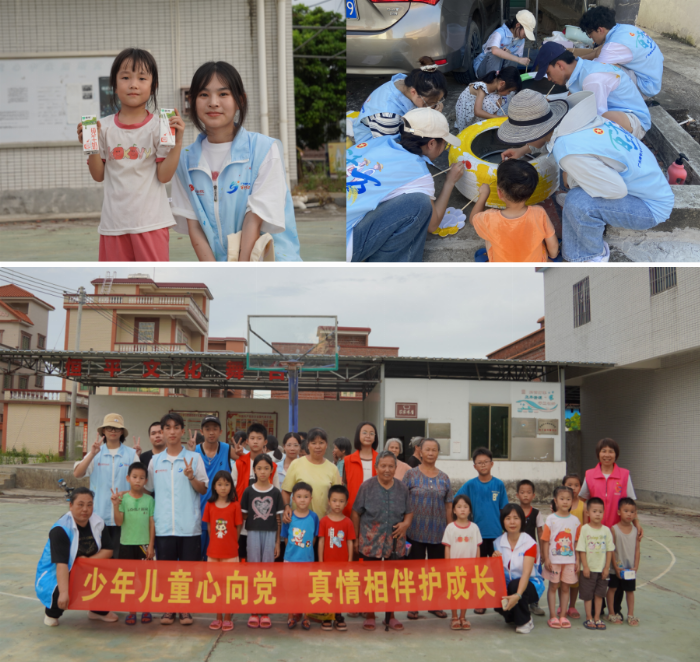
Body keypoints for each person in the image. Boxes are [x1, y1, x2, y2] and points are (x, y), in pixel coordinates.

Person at [498, 89, 673, 262]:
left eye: (524, 137)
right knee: (571, 185)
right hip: (652, 184)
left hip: (649, 207)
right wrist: (523, 150)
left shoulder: (567, 150)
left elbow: (615, 190)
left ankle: (590, 255)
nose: (524, 141)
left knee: (578, 202)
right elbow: (551, 141)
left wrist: (571, 181)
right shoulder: (576, 122)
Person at [171, 61, 301, 261]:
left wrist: (239, 271)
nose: (213, 102)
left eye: (223, 94)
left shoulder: (264, 149)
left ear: (240, 100)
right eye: (204, 95)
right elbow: (194, 225)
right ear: (192, 101)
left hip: (269, 262)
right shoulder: (183, 161)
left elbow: (254, 218)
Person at [76, 48, 184, 261]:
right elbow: (99, 175)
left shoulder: (159, 126)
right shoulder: (102, 127)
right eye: (125, 77)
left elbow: (164, 176)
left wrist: (177, 142)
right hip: (113, 225)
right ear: (114, 86)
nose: (133, 84)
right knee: (116, 280)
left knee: (153, 280)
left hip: (151, 223)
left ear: (153, 86)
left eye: (142, 78)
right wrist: (92, 145)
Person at [347, 108, 465, 263]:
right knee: (419, 204)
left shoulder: (379, 141)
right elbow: (433, 224)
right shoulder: (418, 173)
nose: (444, 148)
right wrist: (450, 181)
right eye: (444, 144)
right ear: (431, 143)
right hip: (345, 246)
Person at [146, 412, 208, 626]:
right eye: (167, 427)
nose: (172, 432)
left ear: (182, 430)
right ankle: (169, 608)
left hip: (189, 526)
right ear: (162, 432)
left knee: (188, 572)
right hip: (164, 527)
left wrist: (191, 477)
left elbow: (203, 488)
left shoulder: (195, 458)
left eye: (176, 427)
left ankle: (185, 609)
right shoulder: (155, 461)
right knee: (166, 572)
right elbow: (149, 490)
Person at [532, 42, 651, 139]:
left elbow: (596, 120)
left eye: (548, 73)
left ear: (560, 65)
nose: (549, 78)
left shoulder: (591, 78)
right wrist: (549, 102)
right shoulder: (581, 70)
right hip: (613, 113)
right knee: (571, 102)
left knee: (601, 118)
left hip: (635, 122)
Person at [36, 487, 118, 626]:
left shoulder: (98, 522)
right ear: (71, 506)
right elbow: (61, 564)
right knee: (59, 594)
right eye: (80, 504)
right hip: (56, 573)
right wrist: (63, 593)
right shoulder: (60, 529)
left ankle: (98, 610)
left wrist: (87, 562)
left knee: (114, 574)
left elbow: (108, 550)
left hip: (86, 568)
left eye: (89, 504)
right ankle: (52, 612)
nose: (85, 509)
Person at [351, 450, 413, 632]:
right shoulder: (366, 487)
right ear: (376, 467)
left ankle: (390, 616)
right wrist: (355, 538)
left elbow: (409, 511)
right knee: (370, 580)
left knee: (392, 581)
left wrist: (406, 524)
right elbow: (356, 512)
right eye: (383, 466)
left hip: (395, 542)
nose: (387, 469)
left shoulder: (402, 488)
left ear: (396, 468)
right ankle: (370, 615)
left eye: (391, 466)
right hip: (371, 542)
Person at [73, 413, 140, 557]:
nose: (113, 431)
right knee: (100, 557)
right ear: (103, 431)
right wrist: (92, 454)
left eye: (117, 428)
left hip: (124, 517)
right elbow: (77, 474)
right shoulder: (95, 453)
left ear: (122, 431)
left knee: (122, 558)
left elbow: (139, 483)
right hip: (98, 516)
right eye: (109, 428)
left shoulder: (131, 454)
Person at [469, 161, 559, 263]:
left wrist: (484, 194)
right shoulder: (539, 213)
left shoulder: (489, 218)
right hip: (534, 262)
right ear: (531, 193)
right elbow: (553, 244)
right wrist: (552, 256)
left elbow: (473, 219)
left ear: (499, 192)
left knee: (487, 231)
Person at [455, 447, 509, 615]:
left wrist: (506, 531)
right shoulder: (470, 485)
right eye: (479, 463)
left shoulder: (498, 484)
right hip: (476, 536)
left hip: (496, 535)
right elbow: (456, 501)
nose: (483, 465)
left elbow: (504, 510)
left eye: (486, 462)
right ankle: (480, 601)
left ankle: (500, 600)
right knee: (479, 571)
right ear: (474, 466)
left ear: (492, 464)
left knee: (497, 570)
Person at [403, 438, 453, 621]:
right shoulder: (410, 475)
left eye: (434, 450)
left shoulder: (444, 478)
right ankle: (413, 605)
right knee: (414, 571)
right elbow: (403, 501)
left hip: (438, 532)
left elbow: (449, 507)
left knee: (437, 571)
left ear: (438, 453)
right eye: (427, 449)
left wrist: (450, 531)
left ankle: (435, 604)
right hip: (414, 531)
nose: (431, 453)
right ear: (420, 452)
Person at [353, 56, 448, 145]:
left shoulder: (406, 82)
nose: (435, 105)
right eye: (430, 103)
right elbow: (390, 148)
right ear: (413, 92)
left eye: (440, 100)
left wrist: (432, 106)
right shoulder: (389, 116)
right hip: (374, 143)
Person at [579, 5, 663, 97]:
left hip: (645, 87)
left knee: (602, 71)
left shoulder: (614, 45)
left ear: (599, 30)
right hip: (652, 77)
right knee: (602, 54)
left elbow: (591, 70)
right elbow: (598, 52)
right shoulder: (623, 29)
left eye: (589, 33)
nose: (590, 37)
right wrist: (580, 58)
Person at [241, 455, 284, 630]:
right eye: (259, 468)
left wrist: (277, 543)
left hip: (270, 534)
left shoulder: (275, 492)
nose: (263, 472)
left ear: (272, 470)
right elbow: (243, 516)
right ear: (254, 470)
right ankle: (253, 609)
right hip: (252, 534)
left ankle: (265, 610)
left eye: (266, 468)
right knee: (253, 569)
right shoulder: (248, 491)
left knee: (267, 571)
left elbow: (278, 519)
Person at [111, 461, 155, 626]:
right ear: (128, 478)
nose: (138, 480)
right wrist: (116, 506)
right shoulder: (123, 499)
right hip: (126, 544)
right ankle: (131, 611)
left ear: (146, 481)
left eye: (142, 478)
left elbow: (152, 524)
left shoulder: (149, 500)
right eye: (135, 477)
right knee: (128, 580)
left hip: (144, 545)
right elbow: (118, 522)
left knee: (145, 579)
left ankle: (146, 609)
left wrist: (151, 545)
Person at [493, 503, 545, 635]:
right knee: (496, 593)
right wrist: (494, 560)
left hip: (529, 585)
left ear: (522, 520)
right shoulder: (497, 543)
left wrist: (517, 595)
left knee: (515, 586)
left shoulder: (529, 543)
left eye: (516, 518)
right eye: (508, 518)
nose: (512, 522)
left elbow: (527, 573)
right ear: (502, 521)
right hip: (508, 585)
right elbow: (497, 573)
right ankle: (513, 615)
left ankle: (525, 621)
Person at [202, 469, 242, 631]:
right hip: (213, 553)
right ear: (214, 487)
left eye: (227, 484)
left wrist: (231, 543)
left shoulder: (235, 506)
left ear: (231, 487)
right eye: (220, 484)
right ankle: (217, 616)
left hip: (230, 553)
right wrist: (217, 543)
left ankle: (227, 617)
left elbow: (238, 528)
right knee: (216, 586)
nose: (223, 488)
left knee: (229, 586)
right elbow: (210, 528)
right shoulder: (209, 505)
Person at [233, 423, 280, 561]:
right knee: (243, 560)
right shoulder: (239, 463)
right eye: (252, 438)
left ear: (265, 442)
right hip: (243, 521)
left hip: (265, 523)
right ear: (247, 441)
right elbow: (232, 491)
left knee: (264, 563)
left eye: (259, 438)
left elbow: (276, 492)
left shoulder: (273, 466)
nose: (255, 441)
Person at [540, 486, 581, 629]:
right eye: (562, 499)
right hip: (554, 561)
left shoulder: (575, 521)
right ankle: (553, 616)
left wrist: (578, 561)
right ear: (555, 501)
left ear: (572, 501)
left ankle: (563, 615)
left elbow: (576, 542)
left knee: (565, 588)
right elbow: (545, 540)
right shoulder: (551, 519)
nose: (565, 502)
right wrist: (546, 558)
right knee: (553, 587)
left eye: (568, 499)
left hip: (570, 561)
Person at [282, 427, 341, 524]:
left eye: (321, 443)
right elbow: (286, 491)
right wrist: (287, 507)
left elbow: (337, 496)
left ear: (326, 445)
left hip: (324, 522)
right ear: (308, 445)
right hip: (300, 522)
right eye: (314, 443)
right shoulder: (296, 464)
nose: (318, 447)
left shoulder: (333, 468)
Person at [281, 482, 320, 631]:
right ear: (293, 499)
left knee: (306, 590)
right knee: (291, 590)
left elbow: (314, 537)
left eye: (305, 497)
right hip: (290, 560)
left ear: (311, 498)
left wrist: (306, 550)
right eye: (299, 497)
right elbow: (285, 537)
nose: (302, 500)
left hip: (307, 561)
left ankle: (306, 617)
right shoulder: (289, 516)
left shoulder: (314, 517)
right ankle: (291, 616)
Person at [194, 415, 234, 559]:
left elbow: (248, 460)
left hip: (221, 516)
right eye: (207, 429)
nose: (211, 432)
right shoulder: (194, 451)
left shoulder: (227, 449)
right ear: (201, 431)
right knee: (197, 560)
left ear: (220, 432)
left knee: (218, 558)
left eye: (215, 429)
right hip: (198, 513)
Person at [318, 484, 356, 632]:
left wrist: (350, 562)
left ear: (346, 503)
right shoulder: (324, 521)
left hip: (342, 565)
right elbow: (321, 541)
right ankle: (327, 616)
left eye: (341, 501)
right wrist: (320, 562)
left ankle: (339, 616)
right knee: (327, 590)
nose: (337, 504)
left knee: (340, 590)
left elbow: (349, 542)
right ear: (329, 501)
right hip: (327, 564)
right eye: (334, 501)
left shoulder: (348, 522)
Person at [443, 495, 482, 630]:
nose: (462, 510)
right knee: (454, 592)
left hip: (469, 569)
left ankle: (463, 617)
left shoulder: (474, 528)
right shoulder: (450, 528)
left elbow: (477, 547)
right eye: (459, 507)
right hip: (454, 569)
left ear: (470, 510)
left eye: (465, 507)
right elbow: (447, 547)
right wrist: (448, 565)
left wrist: (476, 565)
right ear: (454, 510)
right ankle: (454, 617)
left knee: (466, 593)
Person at [576, 497, 614, 631]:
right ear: (588, 513)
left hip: (602, 570)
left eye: (600, 511)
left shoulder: (606, 530)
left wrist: (606, 568)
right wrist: (585, 567)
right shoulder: (584, 529)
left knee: (599, 595)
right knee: (588, 595)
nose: (597, 514)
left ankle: (597, 617)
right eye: (594, 511)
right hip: (589, 569)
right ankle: (588, 618)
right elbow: (581, 549)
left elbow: (610, 550)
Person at [607, 497, 641, 626]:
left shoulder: (636, 531)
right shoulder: (614, 529)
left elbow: (637, 550)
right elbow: (611, 550)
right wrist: (615, 567)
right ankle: (611, 613)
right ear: (619, 512)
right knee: (612, 588)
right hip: (615, 567)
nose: (629, 514)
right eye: (626, 510)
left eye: (632, 512)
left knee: (630, 591)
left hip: (629, 569)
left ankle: (630, 615)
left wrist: (635, 567)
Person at [472, 10, 536, 78]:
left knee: (514, 57)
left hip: (500, 70)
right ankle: (492, 83)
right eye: (525, 32)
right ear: (517, 25)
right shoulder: (499, 33)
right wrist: (518, 59)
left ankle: (506, 83)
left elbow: (517, 58)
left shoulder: (521, 39)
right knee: (497, 55)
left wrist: (510, 53)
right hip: (483, 70)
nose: (526, 35)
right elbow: (494, 51)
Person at [454, 69, 522, 131]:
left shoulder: (494, 87)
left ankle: (490, 124)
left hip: (475, 106)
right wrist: (498, 118)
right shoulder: (482, 87)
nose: (508, 94)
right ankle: (480, 127)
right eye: (509, 91)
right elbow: (477, 112)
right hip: (466, 110)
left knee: (498, 99)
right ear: (502, 83)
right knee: (489, 102)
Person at [515, 480, 545, 617]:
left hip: (533, 552)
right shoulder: (514, 512)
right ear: (517, 495)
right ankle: (520, 601)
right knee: (519, 575)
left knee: (534, 577)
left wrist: (543, 552)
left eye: (528, 493)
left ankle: (534, 603)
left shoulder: (537, 513)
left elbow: (540, 532)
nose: (525, 495)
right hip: (518, 551)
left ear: (533, 495)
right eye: (522, 492)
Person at [562, 473, 587, 618]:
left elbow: (585, 527)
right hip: (561, 548)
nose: (573, 488)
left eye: (576, 485)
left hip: (577, 548)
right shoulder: (560, 504)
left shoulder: (583, 506)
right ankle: (562, 606)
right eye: (569, 485)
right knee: (560, 579)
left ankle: (571, 606)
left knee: (574, 578)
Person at [343, 422, 379, 518]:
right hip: (352, 508)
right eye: (364, 432)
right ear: (358, 435)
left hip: (375, 509)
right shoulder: (348, 460)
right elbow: (344, 485)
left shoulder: (381, 459)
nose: (368, 436)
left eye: (372, 433)